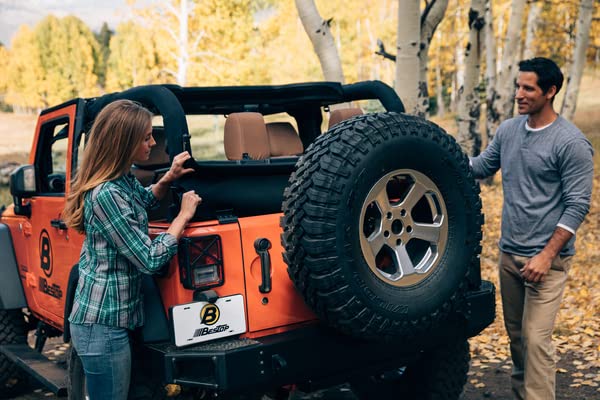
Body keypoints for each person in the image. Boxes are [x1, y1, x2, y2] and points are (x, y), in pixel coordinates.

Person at [470, 57, 594, 400]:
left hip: (547, 263)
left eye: (528, 88)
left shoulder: (571, 143)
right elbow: (480, 167)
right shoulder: (509, 130)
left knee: (537, 341)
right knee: (518, 339)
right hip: (509, 256)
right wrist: (432, 151)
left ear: (550, 91)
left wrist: (546, 255)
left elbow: (577, 206)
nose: (519, 94)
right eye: (518, 86)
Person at [62, 99, 201, 399]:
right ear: (124, 143)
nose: (153, 143)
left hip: (112, 324)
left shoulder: (120, 179)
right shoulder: (106, 195)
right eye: (146, 136)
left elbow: (144, 202)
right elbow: (149, 259)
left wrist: (168, 177)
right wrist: (182, 218)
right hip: (101, 327)